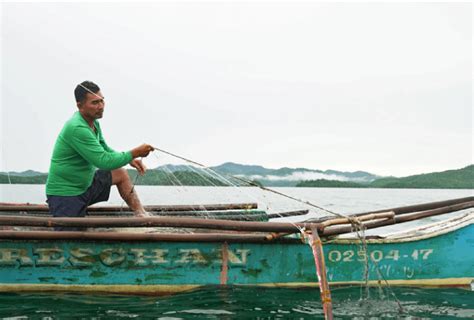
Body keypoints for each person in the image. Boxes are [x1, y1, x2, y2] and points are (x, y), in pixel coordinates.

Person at [46, 81, 154, 227]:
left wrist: (130, 158)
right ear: (80, 105)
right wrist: (133, 152)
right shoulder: (77, 127)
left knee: (120, 173)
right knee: (71, 240)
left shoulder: (94, 123)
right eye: (95, 102)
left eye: (102, 101)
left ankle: (142, 215)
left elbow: (105, 149)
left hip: (86, 186)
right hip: (65, 194)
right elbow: (103, 161)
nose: (101, 106)